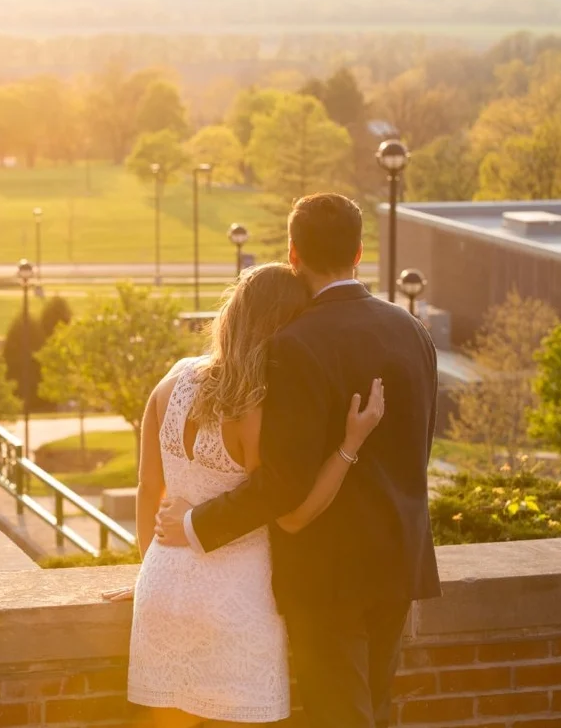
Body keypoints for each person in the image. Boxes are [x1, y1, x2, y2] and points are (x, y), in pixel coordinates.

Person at [154, 192, 441, 728]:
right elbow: (420, 447)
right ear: (359, 253)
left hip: (327, 574)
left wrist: (196, 524)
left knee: (340, 717)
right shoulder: (413, 331)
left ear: (293, 253)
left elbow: (283, 481)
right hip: (400, 560)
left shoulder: (293, 344)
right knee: (376, 711)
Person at [105, 261, 386, 727]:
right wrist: (349, 445)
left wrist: (149, 567)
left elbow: (147, 488)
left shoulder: (171, 380)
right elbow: (292, 514)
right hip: (236, 602)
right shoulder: (255, 408)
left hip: (161, 590)